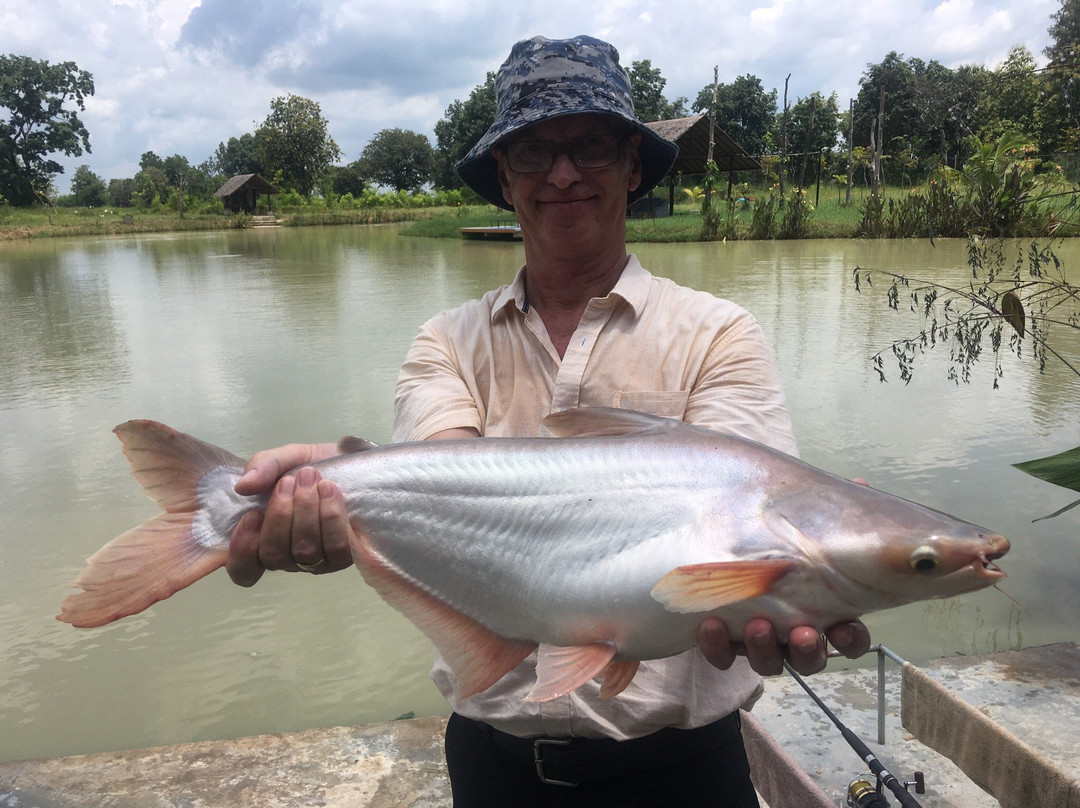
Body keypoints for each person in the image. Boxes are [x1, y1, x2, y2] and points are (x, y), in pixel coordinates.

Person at [227, 34, 870, 807]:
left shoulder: (718, 335)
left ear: (633, 165)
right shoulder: (447, 343)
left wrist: (817, 573)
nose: (563, 173)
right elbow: (450, 491)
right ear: (505, 176)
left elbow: (756, 529)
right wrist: (334, 483)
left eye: (591, 145)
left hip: (684, 773)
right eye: (533, 152)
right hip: (496, 771)